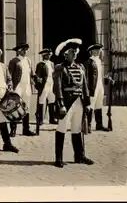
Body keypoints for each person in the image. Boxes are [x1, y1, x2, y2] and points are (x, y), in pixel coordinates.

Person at [53, 38, 94, 168]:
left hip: (79, 101)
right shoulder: (60, 67)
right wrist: (60, 104)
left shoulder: (80, 66)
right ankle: (58, 158)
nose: (75, 54)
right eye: (72, 52)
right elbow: (57, 87)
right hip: (66, 102)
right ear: (66, 53)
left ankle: (79, 156)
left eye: (76, 52)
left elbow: (85, 85)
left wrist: (87, 102)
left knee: (77, 129)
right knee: (62, 128)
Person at [84, 43, 114, 133]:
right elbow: (86, 77)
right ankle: (88, 125)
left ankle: (99, 124)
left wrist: (107, 79)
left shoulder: (99, 61)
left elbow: (100, 75)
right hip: (92, 87)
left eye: (99, 50)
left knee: (99, 105)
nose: (97, 52)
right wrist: (87, 89)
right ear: (91, 52)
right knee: (91, 106)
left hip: (100, 86)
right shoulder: (88, 62)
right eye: (95, 50)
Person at [8, 43, 36, 137]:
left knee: (26, 108)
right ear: (19, 50)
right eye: (24, 50)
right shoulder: (14, 61)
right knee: (15, 108)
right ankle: (13, 130)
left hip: (27, 86)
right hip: (18, 86)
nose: (25, 51)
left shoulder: (28, 60)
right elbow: (9, 75)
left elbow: (31, 73)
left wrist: (35, 80)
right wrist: (10, 86)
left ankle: (26, 129)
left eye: (26, 50)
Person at [34, 48, 57, 126]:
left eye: (49, 55)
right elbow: (37, 76)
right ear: (43, 56)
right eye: (47, 55)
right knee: (41, 101)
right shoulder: (40, 64)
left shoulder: (52, 64)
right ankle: (40, 119)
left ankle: (52, 118)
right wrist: (39, 85)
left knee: (52, 100)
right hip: (44, 85)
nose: (49, 56)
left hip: (51, 84)